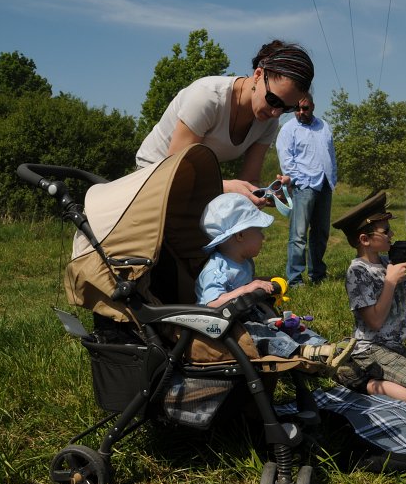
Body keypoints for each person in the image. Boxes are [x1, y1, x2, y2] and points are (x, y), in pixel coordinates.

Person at [136, 40, 314, 207]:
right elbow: (175, 174)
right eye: (273, 100)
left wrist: (265, 194)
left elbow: (250, 179)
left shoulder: (268, 122)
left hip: (192, 184)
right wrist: (223, 187)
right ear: (258, 74)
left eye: (287, 109)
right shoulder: (206, 97)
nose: (276, 113)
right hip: (152, 177)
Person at [195, 193, 353, 366]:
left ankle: (324, 347)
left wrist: (262, 281)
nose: (263, 237)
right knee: (263, 333)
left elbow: (244, 282)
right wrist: (247, 289)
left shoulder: (244, 262)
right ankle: (301, 353)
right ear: (240, 235)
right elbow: (212, 304)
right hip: (225, 328)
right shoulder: (215, 269)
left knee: (287, 325)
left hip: (248, 315)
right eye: (258, 231)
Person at [331, 192, 406, 407]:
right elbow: (374, 321)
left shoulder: (388, 263)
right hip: (371, 350)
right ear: (365, 239)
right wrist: (389, 283)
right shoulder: (358, 272)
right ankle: (362, 383)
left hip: (393, 347)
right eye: (385, 231)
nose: (392, 234)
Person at [276, 92, 337, 287]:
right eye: (296, 108)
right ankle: (294, 279)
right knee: (299, 235)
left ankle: (318, 273)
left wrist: (332, 179)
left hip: (324, 185)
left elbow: (331, 155)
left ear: (313, 106)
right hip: (303, 186)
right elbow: (286, 160)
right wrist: (299, 181)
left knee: (321, 232)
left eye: (305, 108)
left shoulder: (324, 126)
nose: (300, 112)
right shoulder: (288, 129)